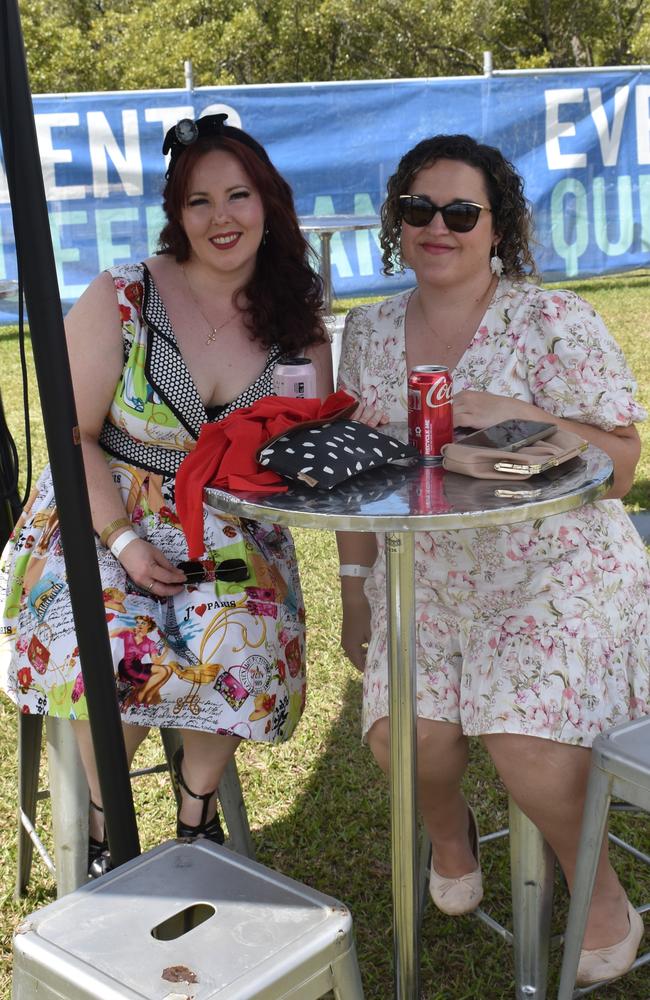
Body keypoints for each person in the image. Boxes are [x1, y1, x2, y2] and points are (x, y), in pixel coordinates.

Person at [336, 133, 648, 987]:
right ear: (396, 222)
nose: (438, 227)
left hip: (557, 570)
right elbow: (357, 477)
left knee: (527, 744)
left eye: (461, 212)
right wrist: (354, 590)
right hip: (427, 576)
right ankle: (451, 837)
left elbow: (621, 466)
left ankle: (606, 897)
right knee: (405, 739)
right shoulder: (364, 333)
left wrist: (520, 413)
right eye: (418, 209)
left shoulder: (555, 321)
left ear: (498, 227)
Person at [0, 113, 333, 876]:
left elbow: (297, 449)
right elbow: (72, 434)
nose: (222, 218)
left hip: (224, 521)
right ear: (175, 215)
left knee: (243, 634)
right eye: (199, 202)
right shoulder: (125, 293)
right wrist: (124, 540)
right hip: (97, 510)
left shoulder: (297, 322)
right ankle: (102, 829)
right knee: (111, 641)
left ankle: (195, 816)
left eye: (239, 196)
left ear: (269, 203)